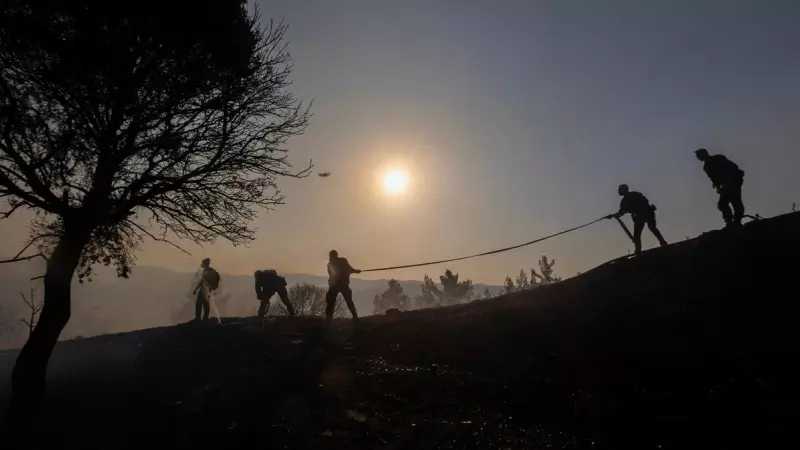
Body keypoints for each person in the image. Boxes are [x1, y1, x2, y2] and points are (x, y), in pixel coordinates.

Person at [608, 184, 668, 255]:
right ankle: (638, 250)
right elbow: (621, 212)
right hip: (640, 217)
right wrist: (613, 216)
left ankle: (663, 243)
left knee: (652, 228)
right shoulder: (624, 201)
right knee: (638, 234)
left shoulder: (634, 195)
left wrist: (641, 212)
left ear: (624, 190)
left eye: (620, 189)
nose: (619, 191)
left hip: (647, 213)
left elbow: (645, 202)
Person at [695, 148, 746, 227]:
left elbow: (733, 167)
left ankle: (737, 221)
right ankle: (729, 222)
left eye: (699, 156)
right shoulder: (706, 167)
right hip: (724, 185)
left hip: (734, 181)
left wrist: (731, 180)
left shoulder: (718, 158)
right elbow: (713, 178)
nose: (698, 158)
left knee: (735, 201)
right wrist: (718, 187)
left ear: (704, 154)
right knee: (722, 204)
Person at [325, 250, 361, 322]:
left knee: (331, 302)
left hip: (334, 286)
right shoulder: (343, 261)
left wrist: (354, 271)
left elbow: (331, 274)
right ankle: (355, 317)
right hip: (343, 285)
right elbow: (349, 269)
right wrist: (356, 271)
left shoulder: (330, 264)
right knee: (349, 301)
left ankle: (329, 318)